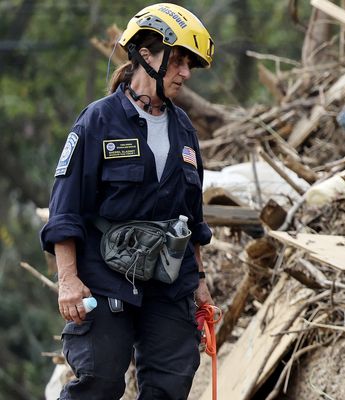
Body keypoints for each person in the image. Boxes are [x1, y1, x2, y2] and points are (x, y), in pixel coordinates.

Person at [40, 3, 216, 399]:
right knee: (100, 381)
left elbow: (193, 219)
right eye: (179, 61)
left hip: (169, 284)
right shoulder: (97, 121)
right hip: (104, 279)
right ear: (147, 56)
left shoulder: (184, 129)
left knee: (170, 386)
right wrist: (68, 281)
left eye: (189, 65)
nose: (185, 73)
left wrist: (200, 283)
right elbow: (65, 209)